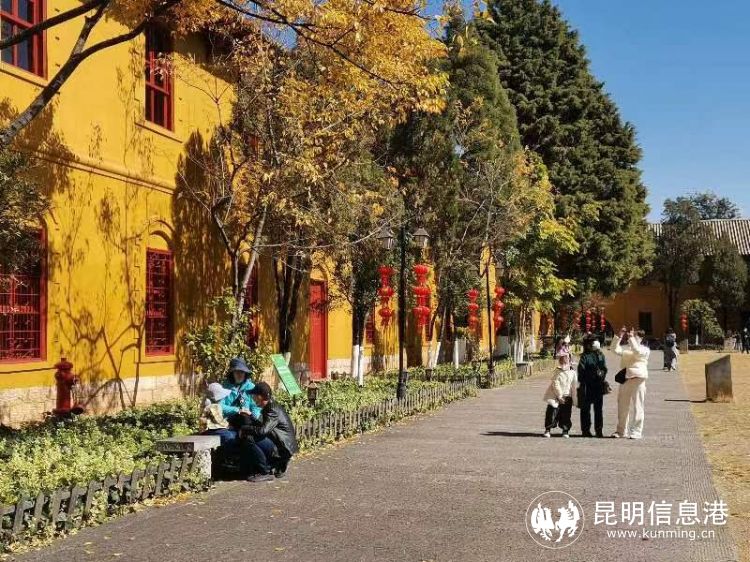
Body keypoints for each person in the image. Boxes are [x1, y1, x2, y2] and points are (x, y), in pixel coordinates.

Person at [239, 382, 299, 482]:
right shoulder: (271, 406)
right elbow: (265, 426)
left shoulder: (272, 410)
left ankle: (265, 471)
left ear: (260, 396)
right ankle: (274, 464)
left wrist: (244, 428)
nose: (253, 398)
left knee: (249, 438)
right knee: (250, 435)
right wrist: (250, 415)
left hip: (283, 449)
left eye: (254, 395)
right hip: (281, 445)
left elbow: (263, 431)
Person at [611, 327, 650, 440]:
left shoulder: (645, 350)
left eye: (636, 335)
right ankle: (621, 431)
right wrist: (619, 336)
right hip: (626, 379)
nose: (632, 337)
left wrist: (632, 338)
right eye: (632, 335)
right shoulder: (627, 350)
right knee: (622, 406)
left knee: (638, 406)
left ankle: (637, 431)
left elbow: (637, 351)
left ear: (641, 338)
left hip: (638, 380)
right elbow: (614, 349)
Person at [577, 338, 608, 438]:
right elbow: (581, 371)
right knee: (585, 409)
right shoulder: (585, 356)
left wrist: (601, 374)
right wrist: (591, 374)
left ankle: (599, 430)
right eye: (593, 342)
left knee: (598, 409)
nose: (596, 343)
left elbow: (604, 368)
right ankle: (585, 430)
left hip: (598, 385)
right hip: (587, 386)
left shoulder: (600, 355)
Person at [542, 355, 577, 438]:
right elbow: (555, 383)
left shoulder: (573, 373)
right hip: (555, 396)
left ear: (570, 363)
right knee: (551, 413)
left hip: (567, 397)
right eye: (562, 363)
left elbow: (574, 386)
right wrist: (559, 396)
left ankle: (565, 430)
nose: (563, 365)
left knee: (566, 415)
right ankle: (548, 429)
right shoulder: (557, 371)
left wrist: (575, 398)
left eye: (565, 363)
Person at [221, 357, 262, 425]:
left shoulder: (251, 387)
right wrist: (237, 410)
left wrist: (255, 418)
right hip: (227, 422)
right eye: (237, 372)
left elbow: (255, 407)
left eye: (242, 372)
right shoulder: (225, 386)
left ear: (245, 373)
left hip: (246, 422)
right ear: (232, 373)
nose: (239, 375)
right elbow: (220, 406)